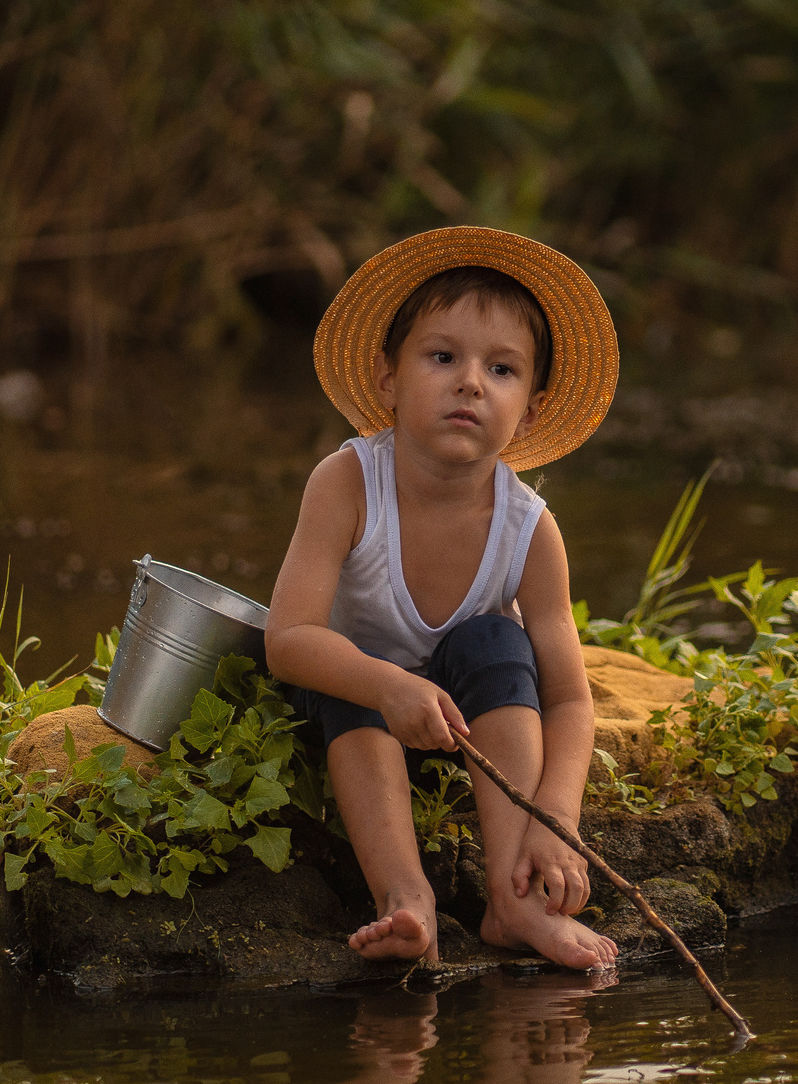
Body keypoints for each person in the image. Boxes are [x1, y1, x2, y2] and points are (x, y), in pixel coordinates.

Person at [265, 228, 622, 970]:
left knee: (497, 641)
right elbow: (289, 638)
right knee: (350, 667)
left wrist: (556, 815)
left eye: (502, 368)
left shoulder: (530, 529)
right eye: (442, 357)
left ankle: (513, 900)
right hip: (356, 707)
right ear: (388, 379)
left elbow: (568, 698)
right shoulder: (348, 483)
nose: (471, 383)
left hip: (467, 724)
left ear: (530, 411)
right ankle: (406, 896)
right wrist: (387, 685)